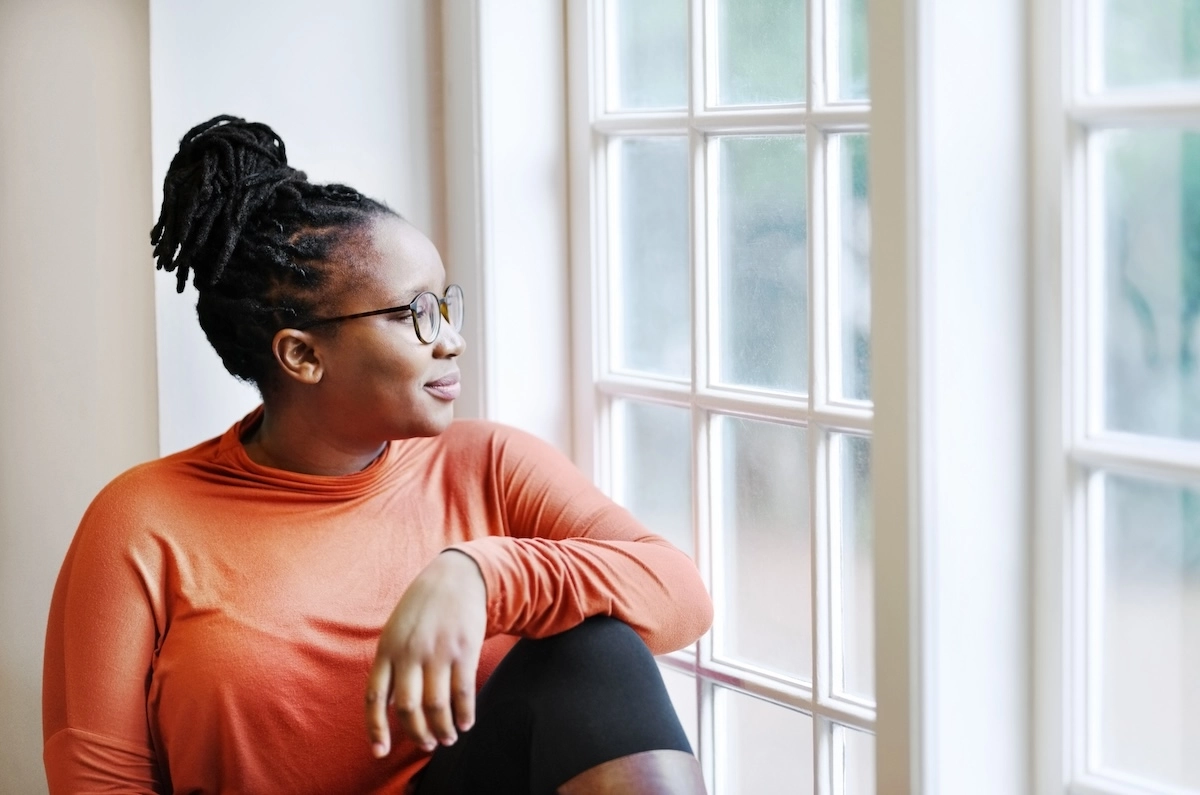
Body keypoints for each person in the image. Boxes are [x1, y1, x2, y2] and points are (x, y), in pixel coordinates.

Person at [41, 116, 713, 794]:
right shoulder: (142, 521)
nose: (450, 339)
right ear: (302, 355)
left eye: (445, 304)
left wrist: (482, 572)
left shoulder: (490, 464)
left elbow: (680, 594)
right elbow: (100, 782)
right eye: (412, 313)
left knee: (595, 647)